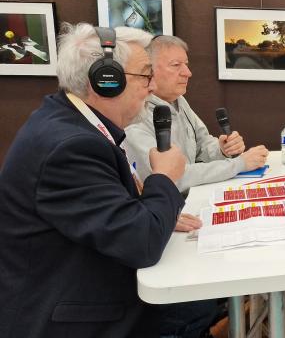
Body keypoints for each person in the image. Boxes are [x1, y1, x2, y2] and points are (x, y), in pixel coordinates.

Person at [0, 23, 186, 337]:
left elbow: (111, 212)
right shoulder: (70, 147)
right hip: (71, 319)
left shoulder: (68, 122)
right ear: (105, 81)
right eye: (145, 74)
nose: (153, 87)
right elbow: (142, 243)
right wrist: (164, 178)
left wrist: (156, 211)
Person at [124, 35, 268, 194]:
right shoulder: (133, 117)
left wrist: (221, 149)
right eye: (176, 65)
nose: (188, 73)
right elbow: (174, 177)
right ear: (148, 71)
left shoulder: (179, 101)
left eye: (186, 64)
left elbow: (202, 145)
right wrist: (239, 164)